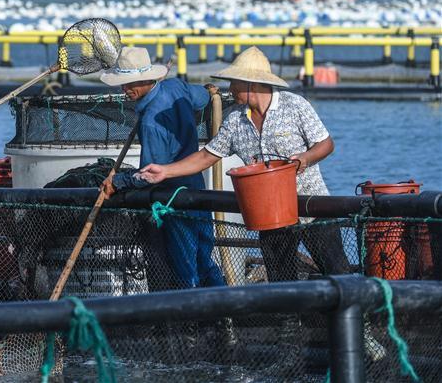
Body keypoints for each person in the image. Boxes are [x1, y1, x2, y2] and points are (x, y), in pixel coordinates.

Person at [139, 46, 348, 282]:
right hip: (271, 214)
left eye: (234, 83)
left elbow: (326, 143)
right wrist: (165, 171)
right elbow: (207, 156)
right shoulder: (235, 119)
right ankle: (287, 319)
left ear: (251, 84)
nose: (230, 89)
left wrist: (305, 158)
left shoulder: (295, 105)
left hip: (312, 204)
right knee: (281, 281)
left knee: (337, 271)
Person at [99, 46, 225, 289]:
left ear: (148, 79)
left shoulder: (150, 122)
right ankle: (221, 319)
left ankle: (189, 322)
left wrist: (118, 182)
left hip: (173, 198)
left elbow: (149, 175)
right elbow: (203, 96)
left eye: (131, 84)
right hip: (198, 190)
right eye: (123, 84)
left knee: (185, 268)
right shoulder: (176, 88)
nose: (126, 90)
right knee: (204, 261)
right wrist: (209, 92)